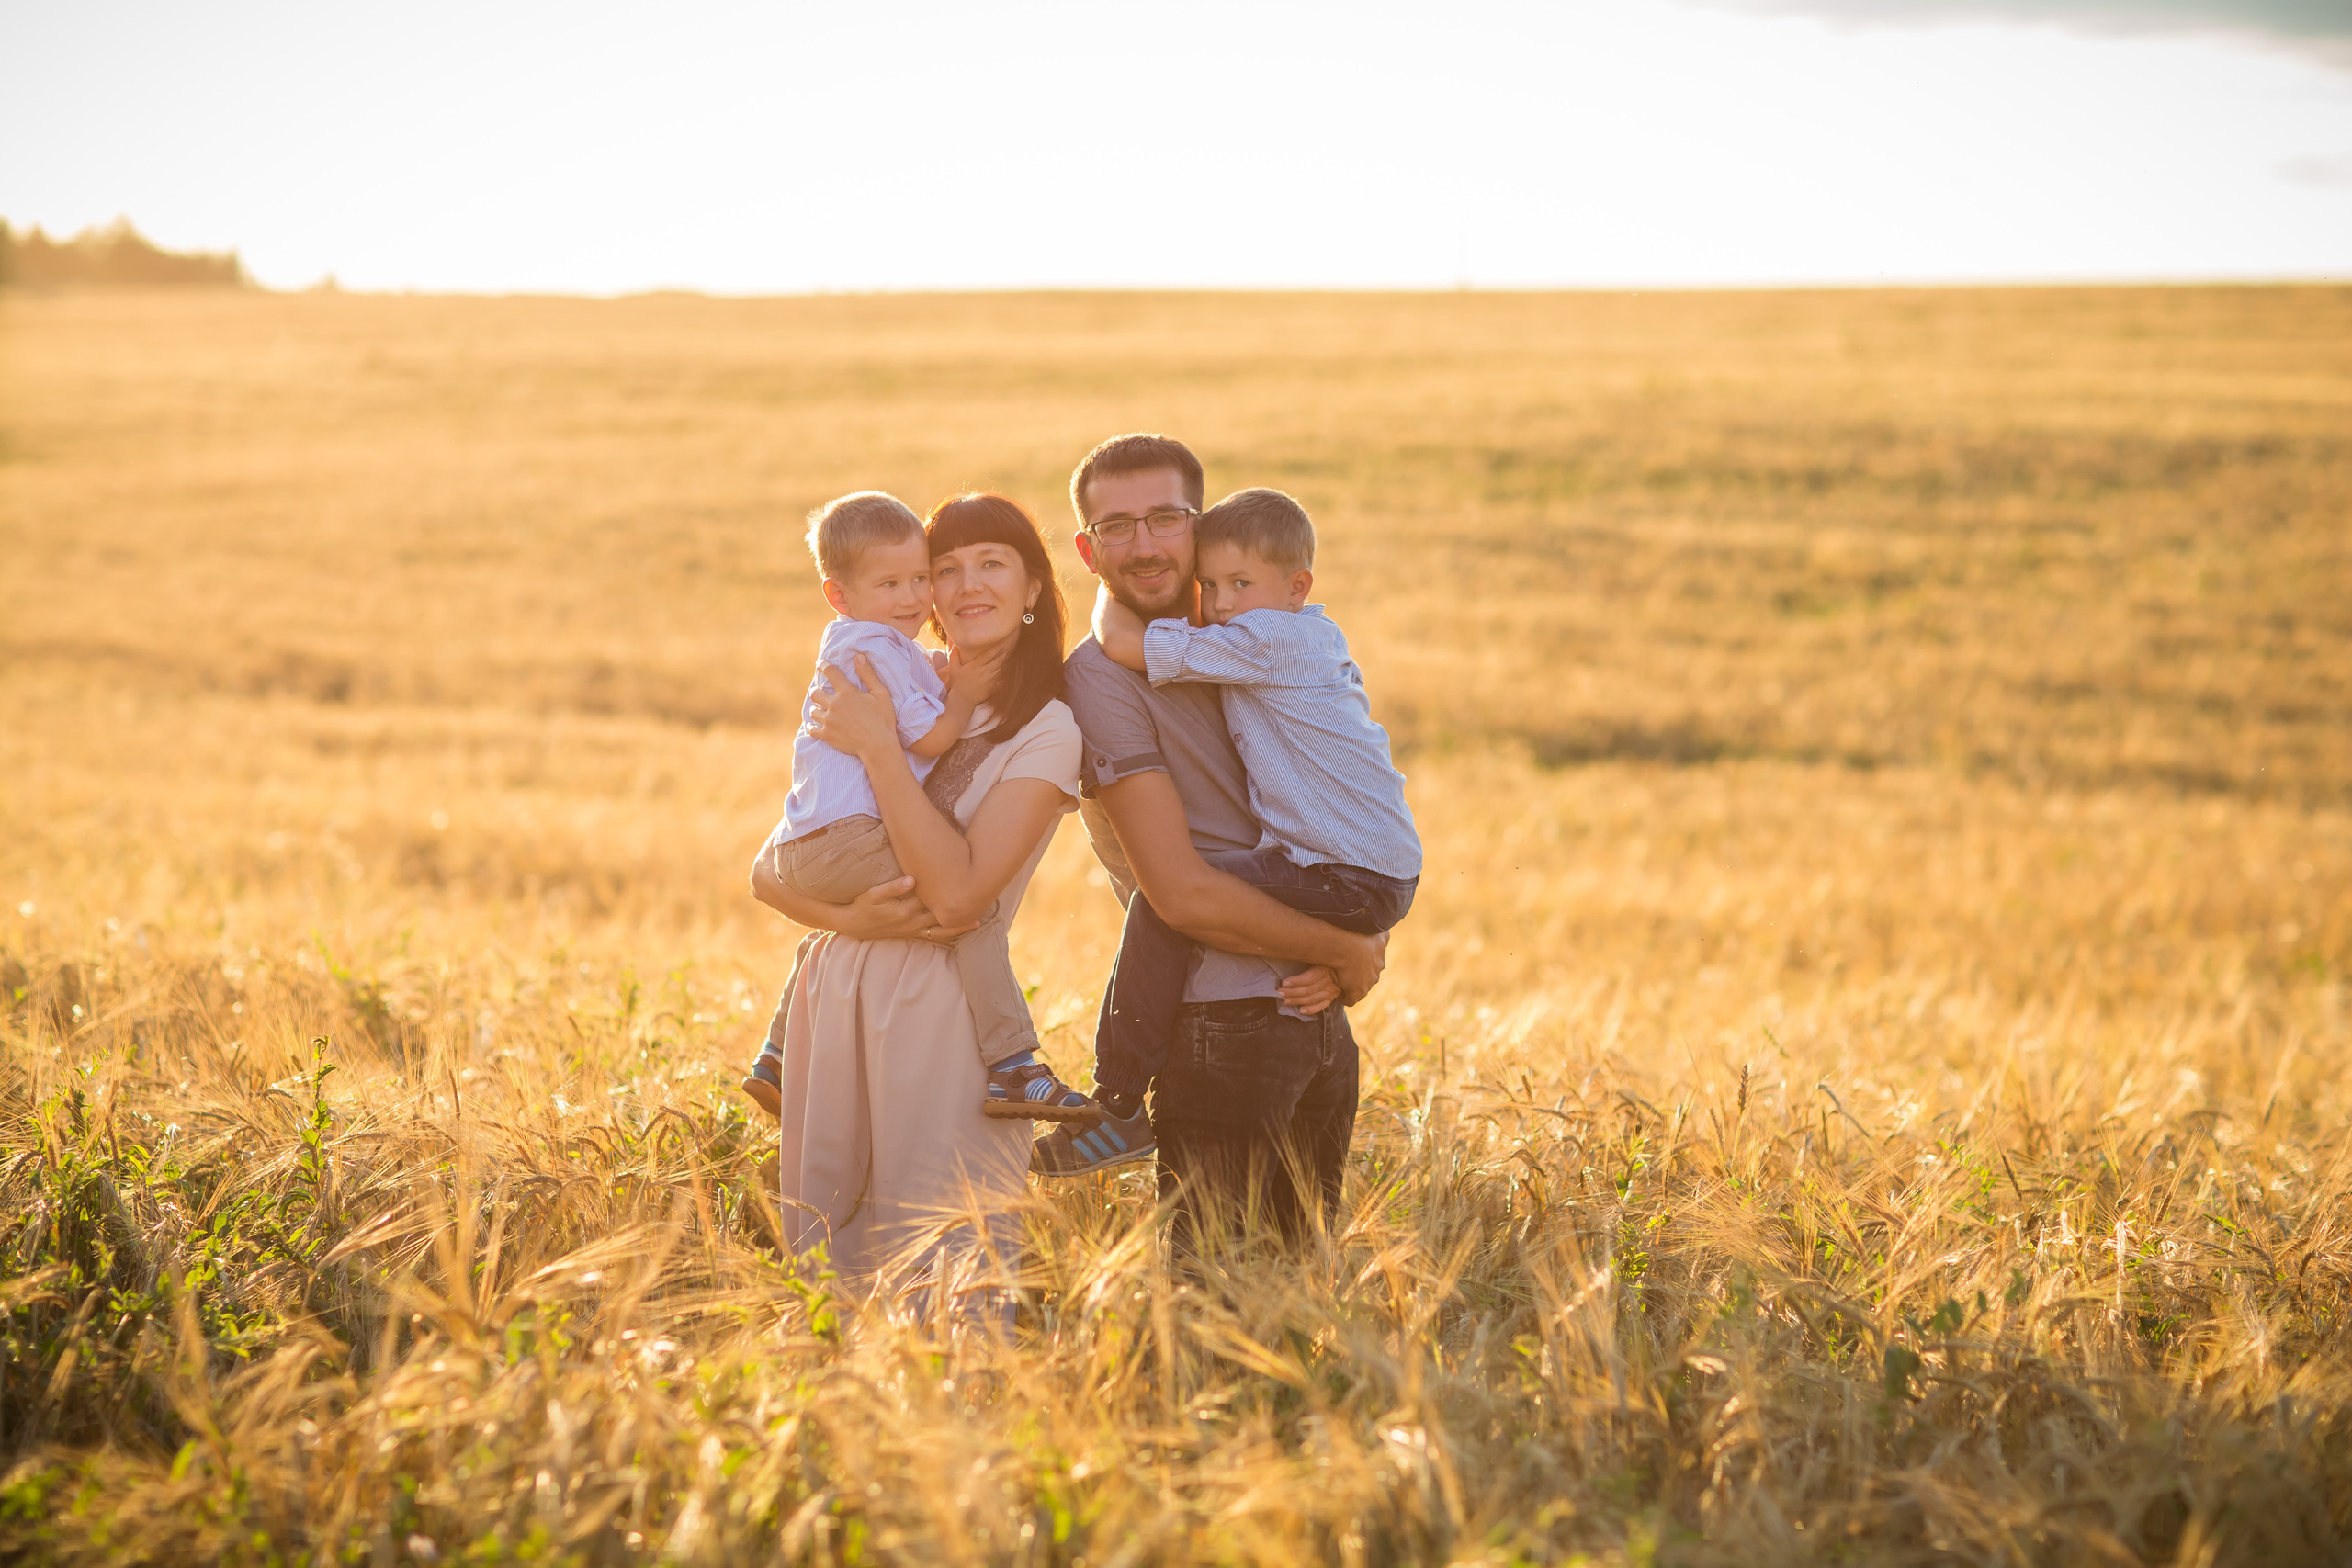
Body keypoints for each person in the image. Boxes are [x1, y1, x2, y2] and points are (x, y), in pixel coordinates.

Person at [1042, 434, 1391, 1245]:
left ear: (1198, 527)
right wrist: (1347, 949)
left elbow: (1344, 789)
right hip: (1218, 1026)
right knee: (1211, 1306)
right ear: (1089, 551)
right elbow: (1180, 891)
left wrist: (1360, 936)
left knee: (1295, 1295)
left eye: (1165, 517)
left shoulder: (1257, 639)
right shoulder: (1100, 679)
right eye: (1118, 526)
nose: (1145, 543)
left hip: (1316, 1022)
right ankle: (1116, 1101)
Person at [751, 493, 1085, 1282]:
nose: (965, 585)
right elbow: (772, 868)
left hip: (942, 1012)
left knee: (944, 1261)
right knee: (831, 1266)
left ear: (1035, 587)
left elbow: (959, 900)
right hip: (834, 998)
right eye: (946, 570)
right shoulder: (903, 692)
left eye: (993, 565)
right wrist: (851, 920)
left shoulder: (1047, 728)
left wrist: (879, 751)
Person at [1071, 485, 1419, 1137]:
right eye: (1212, 584)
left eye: (1240, 583)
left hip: (1345, 880)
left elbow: (1122, 643)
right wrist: (1348, 949)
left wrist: (1105, 586)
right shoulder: (1313, 632)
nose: (1224, 603)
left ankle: (1114, 1105)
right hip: (1375, 873)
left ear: (1297, 586)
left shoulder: (1263, 638)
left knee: (1161, 900)